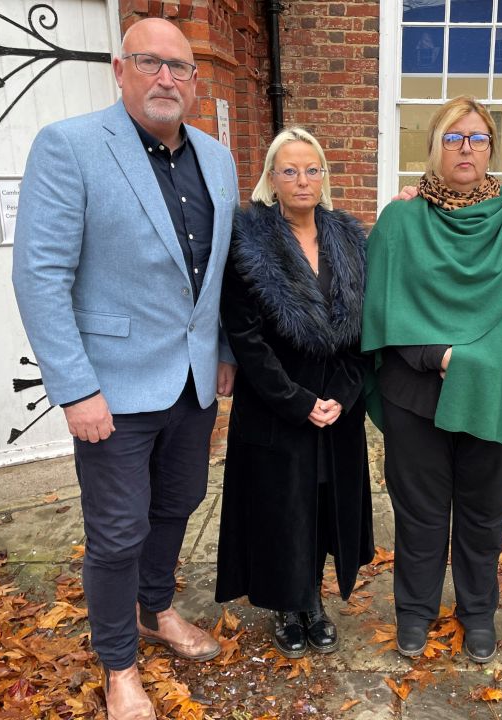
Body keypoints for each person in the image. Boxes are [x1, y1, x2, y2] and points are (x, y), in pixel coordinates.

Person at [12, 18, 238, 719]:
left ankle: (155, 608)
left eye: (180, 66)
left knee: (178, 505)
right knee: (116, 532)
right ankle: (119, 668)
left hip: (194, 381)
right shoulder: (71, 147)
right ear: (120, 69)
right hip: (110, 387)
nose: (166, 78)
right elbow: (40, 274)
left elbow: (219, 272)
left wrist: (224, 351)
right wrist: (75, 388)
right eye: (150, 63)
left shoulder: (216, 158)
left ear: (196, 82)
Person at [363, 96, 502, 664]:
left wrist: (485, 359)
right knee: (420, 509)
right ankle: (414, 610)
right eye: (453, 137)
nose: (465, 148)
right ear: (433, 147)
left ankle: (477, 611)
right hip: (417, 390)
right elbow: (382, 308)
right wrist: (437, 354)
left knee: (485, 511)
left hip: (494, 389)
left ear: (492, 149)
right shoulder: (402, 219)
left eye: (477, 138)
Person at [214, 128, 373, 659]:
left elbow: (364, 328)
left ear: (324, 177)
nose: (302, 180)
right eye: (289, 170)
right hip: (275, 403)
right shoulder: (248, 241)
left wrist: (342, 398)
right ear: (271, 180)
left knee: (326, 504)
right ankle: (288, 603)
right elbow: (246, 336)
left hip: (337, 404)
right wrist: (298, 401)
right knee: (282, 508)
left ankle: (314, 602)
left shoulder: (349, 238)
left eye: (312, 170)